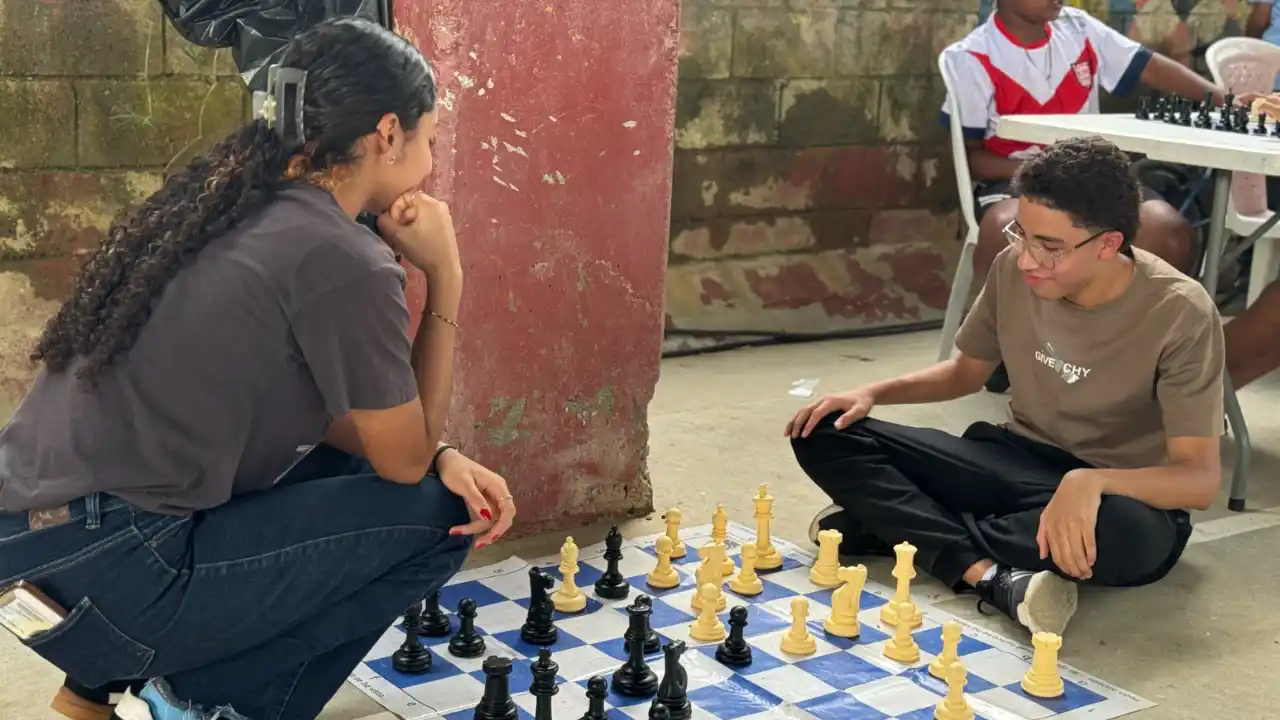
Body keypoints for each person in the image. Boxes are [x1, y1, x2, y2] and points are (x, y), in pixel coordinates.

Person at [0, 17, 516, 720]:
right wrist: (445, 275)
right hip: (119, 577)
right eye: (429, 137)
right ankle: (198, 705)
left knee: (350, 470)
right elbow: (403, 463)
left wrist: (443, 452)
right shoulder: (343, 257)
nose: (430, 156)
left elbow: (314, 410)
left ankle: (91, 691)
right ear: (388, 133)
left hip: (31, 561)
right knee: (445, 516)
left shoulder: (215, 202)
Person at [786, 136, 1225, 638]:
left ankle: (902, 527)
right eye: (1022, 233)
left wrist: (1089, 482)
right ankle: (986, 574)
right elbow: (962, 374)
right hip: (1011, 461)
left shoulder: (1179, 311)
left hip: (1116, 494)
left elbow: (1198, 480)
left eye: (1051, 247)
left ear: (1108, 243)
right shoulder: (1011, 271)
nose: (1027, 260)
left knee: (1129, 539)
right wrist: (871, 393)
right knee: (821, 430)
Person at [939, 0, 1237, 392]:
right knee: (1005, 230)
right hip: (1016, 180)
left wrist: (1223, 98)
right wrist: (1049, 174)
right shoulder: (971, 57)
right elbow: (975, 159)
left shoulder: (1078, 28)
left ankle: (1127, 360)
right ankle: (1004, 347)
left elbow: (1148, 65)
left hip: (1094, 176)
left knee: (1168, 231)